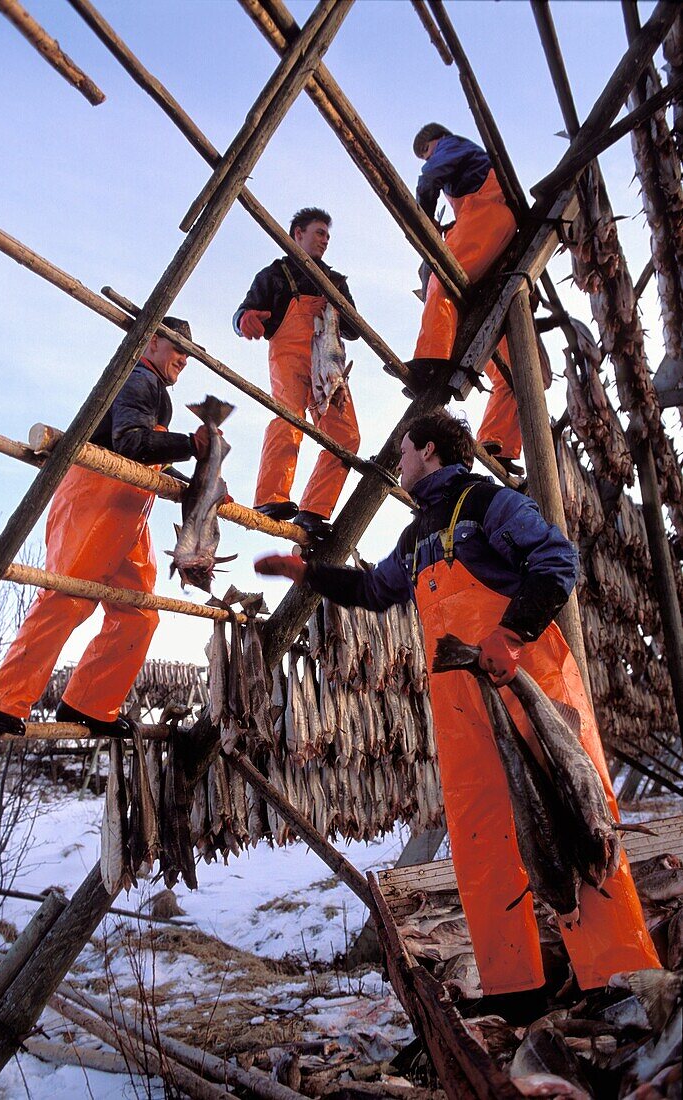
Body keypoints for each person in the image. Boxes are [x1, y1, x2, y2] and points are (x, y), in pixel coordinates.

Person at [256, 410, 659, 1019]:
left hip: (526, 682)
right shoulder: (415, 536)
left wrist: (511, 632)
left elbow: (558, 562)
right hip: (459, 702)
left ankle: (618, 975)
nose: (397, 461)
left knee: (581, 821)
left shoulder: (491, 505)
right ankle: (513, 987)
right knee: (479, 838)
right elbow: (374, 592)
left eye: (403, 450)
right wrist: (306, 574)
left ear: (429, 449)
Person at [0, 317, 210, 738]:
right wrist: (191, 445)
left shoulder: (156, 392)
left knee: (139, 614)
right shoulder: (138, 378)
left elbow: (146, 451)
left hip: (130, 508)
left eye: (189, 354)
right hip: (95, 495)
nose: (185, 359)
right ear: (152, 341)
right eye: (178, 348)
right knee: (67, 597)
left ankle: (89, 703)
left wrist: (199, 480)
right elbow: (130, 442)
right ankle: (3, 699)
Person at [233, 207, 360, 539]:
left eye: (328, 236)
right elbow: (243, 311)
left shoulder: (335, 281)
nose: (325, 240)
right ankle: (269, 498)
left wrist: (335, 306)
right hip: (289, 357)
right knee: (288, 417)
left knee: (346, 437)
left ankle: (313, 511)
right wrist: (244, 320)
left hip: (328, 362)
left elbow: (355, 330)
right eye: (319, 233)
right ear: (297, 234)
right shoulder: (273, 276)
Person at [412, 123, 523, 474]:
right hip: (497, 227)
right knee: (510, 368)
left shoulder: (450, 146)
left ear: (433, 142)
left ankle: (432, 359)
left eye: (424, 152)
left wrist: (424, 219)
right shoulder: (473, 161)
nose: (428, 158)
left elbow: (429, 178)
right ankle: (499, 442)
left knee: (441, 278)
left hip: (485, 215)